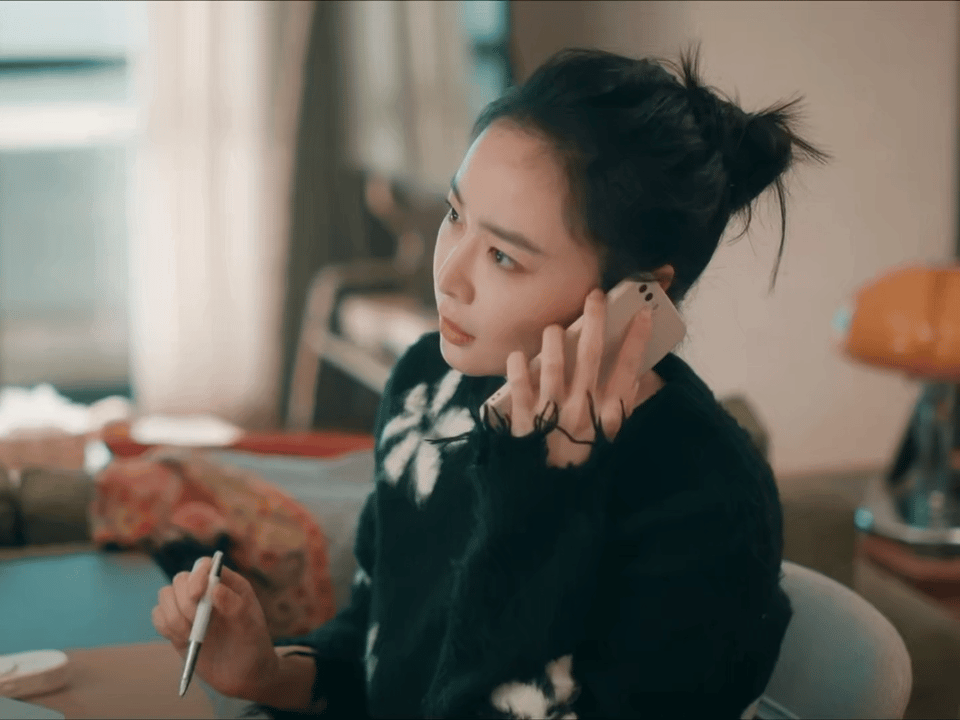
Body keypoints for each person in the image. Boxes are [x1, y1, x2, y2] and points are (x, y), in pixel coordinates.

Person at [152, 46, 827, 719]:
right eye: (455, 215)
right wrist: (270, 674)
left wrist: (540, 492)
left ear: (638, 295)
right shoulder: (429, 387)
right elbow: (381, 655)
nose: (449, 275)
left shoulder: (707, 502)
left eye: (504, 256)